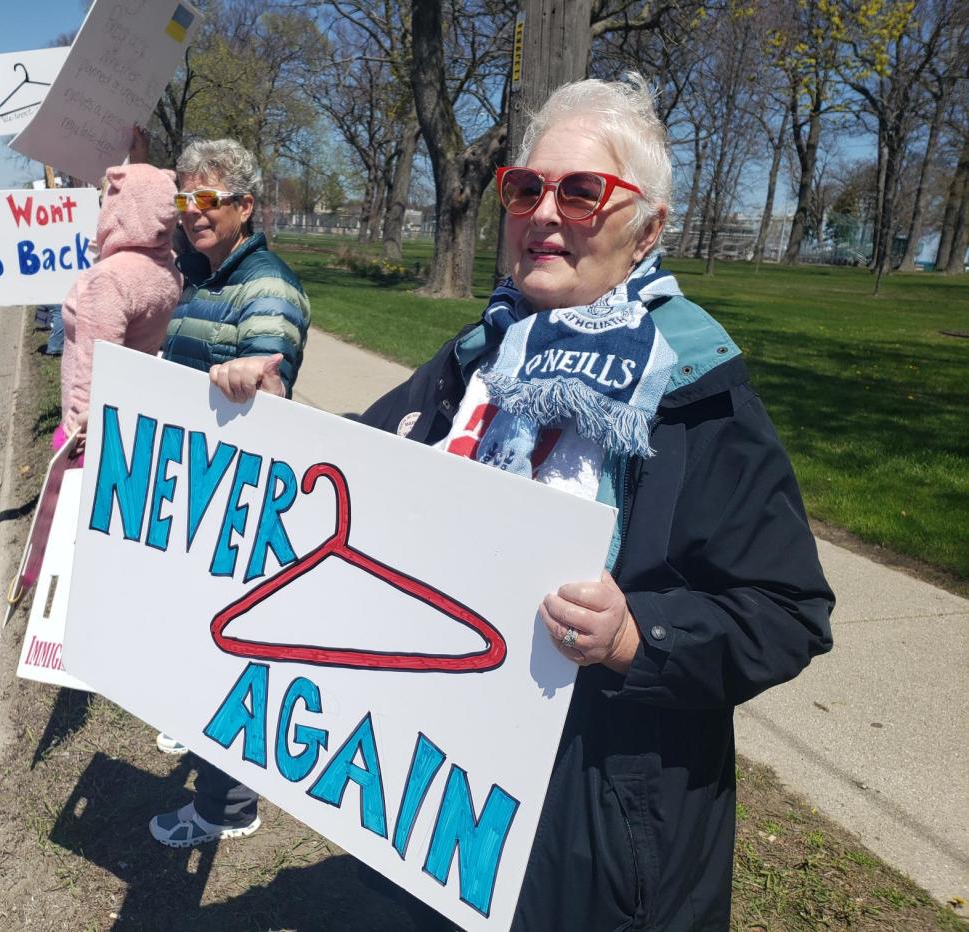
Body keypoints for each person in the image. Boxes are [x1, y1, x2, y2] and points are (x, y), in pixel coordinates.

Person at [356, 75, 833, 929]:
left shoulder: (696, 390)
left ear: (647, 226)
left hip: (599, 826)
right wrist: (263, 402)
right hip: (443, 785)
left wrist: (634, 636)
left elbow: (786, 608)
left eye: (582, 193)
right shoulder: (479, 355)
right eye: (525, 187)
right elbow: (359, 463)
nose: (544, 213)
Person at [147, 138, 311, 849]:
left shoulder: (265, 287)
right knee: (194, 639)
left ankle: (228, 808)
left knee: (231, 649)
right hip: (196, 494)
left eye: (207, 199)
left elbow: (277, 377)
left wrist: (262, 381)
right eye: (184, 199)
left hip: (236, 506)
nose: (192, 212)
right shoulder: (202, 277)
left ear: (246, 205)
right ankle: (200, 735)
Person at [55, 158, 181, 453]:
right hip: (132, 410)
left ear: (120, 205)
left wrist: (75, 433)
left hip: (93, 429)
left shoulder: (109, 279)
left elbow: (96, 363)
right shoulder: (169, 267)